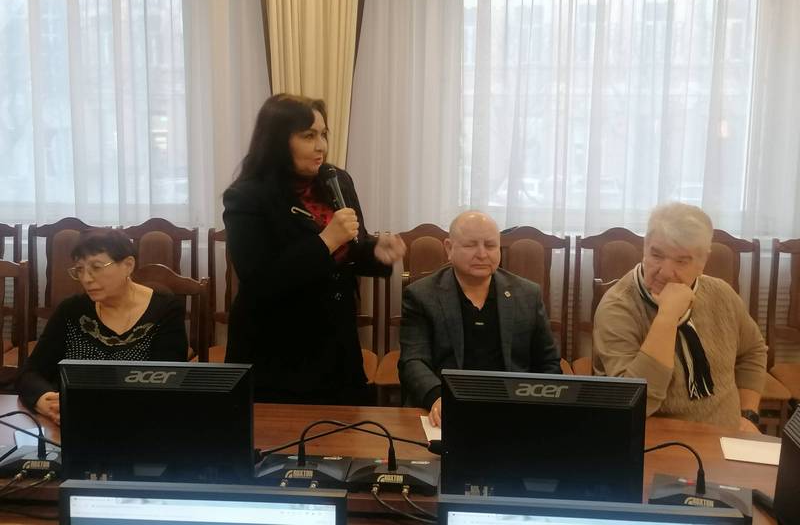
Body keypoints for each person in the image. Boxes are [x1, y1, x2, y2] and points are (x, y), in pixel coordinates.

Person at [223, 93, 406, 404]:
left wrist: (377, 252)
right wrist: (326, 240)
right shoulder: (246, 196)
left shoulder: (337, 180)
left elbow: (352, 247)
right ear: (277, 140)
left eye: (323, 134)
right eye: (308, 136)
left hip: (336, 346)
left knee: (345, 430)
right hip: (277, 353)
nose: (321, 146)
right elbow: (260, 280)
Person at [593, 203, 767, 431]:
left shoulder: (722, 294)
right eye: (656, 255)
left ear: (702, 262)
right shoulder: (618, 306)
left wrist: (748, 414)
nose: (665, 272)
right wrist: (667, 317)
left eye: (681, 261)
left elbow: (753, 351)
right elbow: (635, 404)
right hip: (655, 436)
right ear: (644, 248)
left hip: (726, 433)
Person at [399, 211, 562, 426]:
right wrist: (437, 397)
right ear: (449, 248)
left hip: (513, 409)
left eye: (490, 245)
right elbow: (413, 361)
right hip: (446, 408)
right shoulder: (421, 295)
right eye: (470, 245)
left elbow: (548, 362)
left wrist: (538, 405)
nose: (482, 254)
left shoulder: (527, 294)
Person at [17, 229, 188, 424]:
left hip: (140, 423)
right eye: (79, 269)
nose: (86, 279)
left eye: (96, 267)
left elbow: (168, 382)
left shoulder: (165, 310)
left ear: (128, 265)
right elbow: (30, 373)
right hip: (73, 423)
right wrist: (44, 401)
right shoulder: (72, 310)